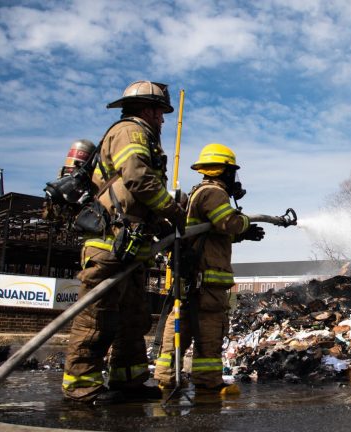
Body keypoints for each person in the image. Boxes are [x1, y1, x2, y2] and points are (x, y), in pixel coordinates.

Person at [62, 81, 185, 404]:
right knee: (97, 317)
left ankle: (128, 380)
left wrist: (163, 226)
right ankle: (81, 387)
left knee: (133, 318)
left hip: (130, 244)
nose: (162, 119)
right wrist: (174, 211)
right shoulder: (130, 132)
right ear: (147, 109)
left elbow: (138, 198)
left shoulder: (144, 137)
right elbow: (137, 178)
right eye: (160, 112)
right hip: (110, 242)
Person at [153, 143, 264, 393]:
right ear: (224, 170)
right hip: (207, 282)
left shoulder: (199, 192)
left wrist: (241, 236)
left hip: (193, 278)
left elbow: (210, 233)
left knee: (182, 327)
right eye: (232, 172)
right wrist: (244, 224)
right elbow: (227, 222)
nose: (235, 178)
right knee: (210, 330)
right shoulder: (214, 193)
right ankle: (208, 383)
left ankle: (166, 377)